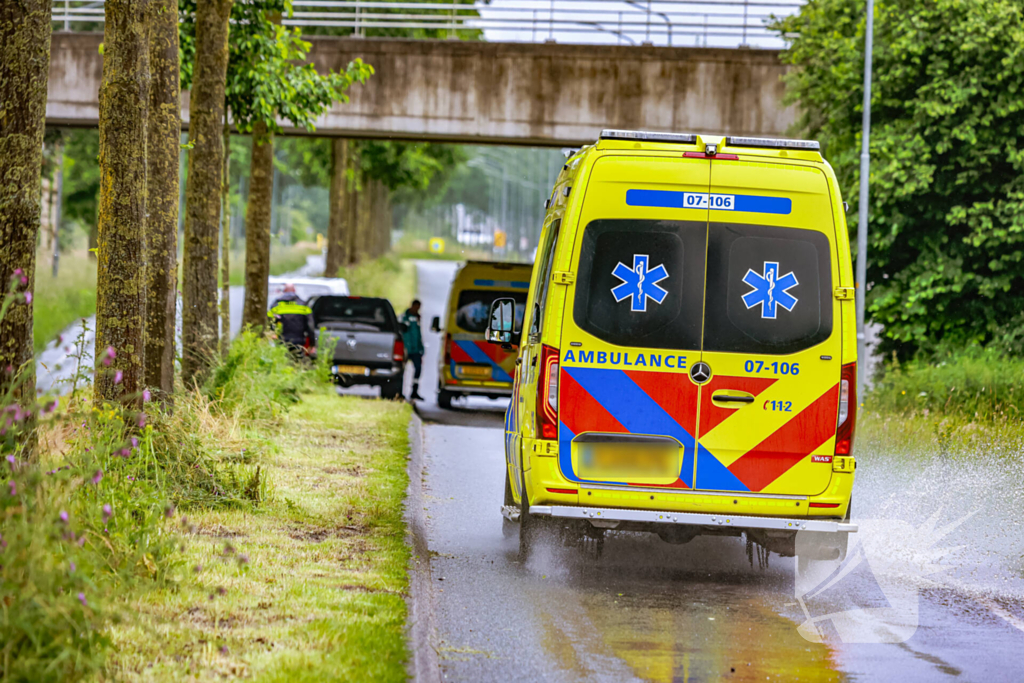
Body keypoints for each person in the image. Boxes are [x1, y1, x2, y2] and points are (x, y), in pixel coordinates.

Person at [268, 283, 314, 360]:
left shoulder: (276, 305)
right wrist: (312, 343)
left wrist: (271, 334)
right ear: (294, 290)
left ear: (284, 291)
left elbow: (269, 323)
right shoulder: (303, 305)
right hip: (299, 341)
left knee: (281, 361)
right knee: (297, 361)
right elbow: (310, 326)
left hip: (281, 340)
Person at [400, 299, 425, 400]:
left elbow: (418, 335)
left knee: (418, 369)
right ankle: (399, 391)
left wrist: (421, 348)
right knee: (401, 370)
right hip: (406, 349)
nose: (417, 310)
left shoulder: (417, 318)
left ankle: (414, 391)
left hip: (416, 350)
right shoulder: (404, 317)